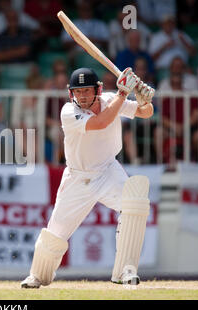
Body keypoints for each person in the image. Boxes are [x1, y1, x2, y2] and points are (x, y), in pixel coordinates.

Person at [21, 67, 155, 288]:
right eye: (78, 91)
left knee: (135, 204)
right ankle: (38, 275)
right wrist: (123, 95)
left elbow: (146, 113)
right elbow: (100, 123)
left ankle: (126, 270)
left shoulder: (111, 99)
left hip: (108, 171)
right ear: (71, 93)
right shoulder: (68, 111)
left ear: (98, 90)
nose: (82, 96)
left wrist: (143, 99)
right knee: (56, 232)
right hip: (78, 177)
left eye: (87, 90)